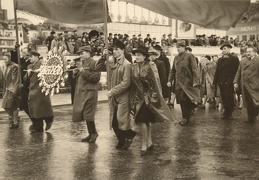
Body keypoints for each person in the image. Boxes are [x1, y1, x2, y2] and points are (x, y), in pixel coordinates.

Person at [130, 46, 173, 155]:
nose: (137, 57)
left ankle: (144, 144)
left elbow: (156, 82)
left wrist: (155, 97)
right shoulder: (134, 67)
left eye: (139, 55)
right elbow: (133, 84)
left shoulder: (150, 66)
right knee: (144, 121)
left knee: (144, 120)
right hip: (138, 98)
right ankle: (149, 142)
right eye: (136, 55)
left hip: (148, 97)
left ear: (145, 56)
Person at [96, 40, 137, 150]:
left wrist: (112, 91)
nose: (114, 51)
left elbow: (126, 83)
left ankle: (128, 136)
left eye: (117, 49)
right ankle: (123, 139)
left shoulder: (127, 65)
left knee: (121, 120)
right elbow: (98, 67)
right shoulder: (111, 62)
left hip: (123, 96)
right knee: (114, 121)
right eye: (113, 49)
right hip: (114, 96)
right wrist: (103, 56)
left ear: (123, 50)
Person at [167, 40, 200, 126]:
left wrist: (196, 81)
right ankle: (188, 114)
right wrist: (169, 80)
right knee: (182, 101)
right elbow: (172, 71)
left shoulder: (189, 56)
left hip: (187, 83)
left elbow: (195, 69)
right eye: (177, 47)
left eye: (180, 47)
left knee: (185, 100)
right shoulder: (176, 57)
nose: (178, 49)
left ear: (184, 48)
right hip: (179, 83)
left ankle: (185, 118)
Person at [72, 46, 101, 143]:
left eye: (82, 53)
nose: (80, 55)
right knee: (85, 114)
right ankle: (91, 133)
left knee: (88, 114)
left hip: (90, 92)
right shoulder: (83, 63)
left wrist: (82, 70)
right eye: (79, 53)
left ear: (88, 53)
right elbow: (80, 77)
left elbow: (96, 78)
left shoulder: (94, 63)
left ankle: (93, 133)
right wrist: (75, 72)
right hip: (83, 92)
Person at [24, 51, 54, 133]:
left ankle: (48, 120)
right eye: (29, 56)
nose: (29, 58)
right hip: (33, 90)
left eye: (31, 56)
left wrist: (39, 71)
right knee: (34, 109)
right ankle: (38, 126)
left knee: (42, 109)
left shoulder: (42, 64)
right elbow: (25, 79)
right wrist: (28, 74)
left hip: (41, 90)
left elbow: (48, 73)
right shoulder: (30, 66)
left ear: (36, 57)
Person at [213, 42, 239, 119]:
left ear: (229, 49)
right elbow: (217, 71)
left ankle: (229, 112)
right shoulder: (220, 60)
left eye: (224, 48)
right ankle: (226, 111)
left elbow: (237, 71)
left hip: (230, 81)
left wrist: (235, 81)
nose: (223, 50)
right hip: (221, 82)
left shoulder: (234, 58)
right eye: (222, 49)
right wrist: (215, 82)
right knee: (224, 97)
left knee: (229, 97)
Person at [233, 46, 259, 123]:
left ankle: (255, 115)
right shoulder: (243, 61)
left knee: (256, 102)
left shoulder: (258, 60)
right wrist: (235, 82)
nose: (247, 53)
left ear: (254, 52)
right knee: (248, 103)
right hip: (244, 85)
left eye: (249, 51)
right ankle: (251, 118)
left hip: (254, 85)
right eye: (247, 51)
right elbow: (238, 72)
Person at [0, 53, 21, 129]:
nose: (4, 61)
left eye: (5, 59)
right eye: (3, 59)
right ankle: (15, 119)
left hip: (12, 89)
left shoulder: (14, 66)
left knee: (12, 106)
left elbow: (15, 79)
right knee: (5, 106)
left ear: (9, 58)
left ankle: (15, 122)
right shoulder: (7, 66)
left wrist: (13, 90)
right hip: (7, 89)